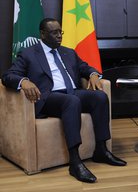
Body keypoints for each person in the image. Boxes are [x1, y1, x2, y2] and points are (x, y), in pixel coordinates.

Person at [2, 18, 127, 183]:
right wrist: (23, 81)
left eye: (60, 32)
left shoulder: (69, 52)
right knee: (71, 102)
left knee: (100, 97)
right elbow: (8, 76)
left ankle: (101, 150)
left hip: (72, 91)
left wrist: (93, 74)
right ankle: (75, 162)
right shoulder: (29, 54)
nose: (59, 36)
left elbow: (85, 67)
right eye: (54, 32)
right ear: (43, 34)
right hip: (48, 97)